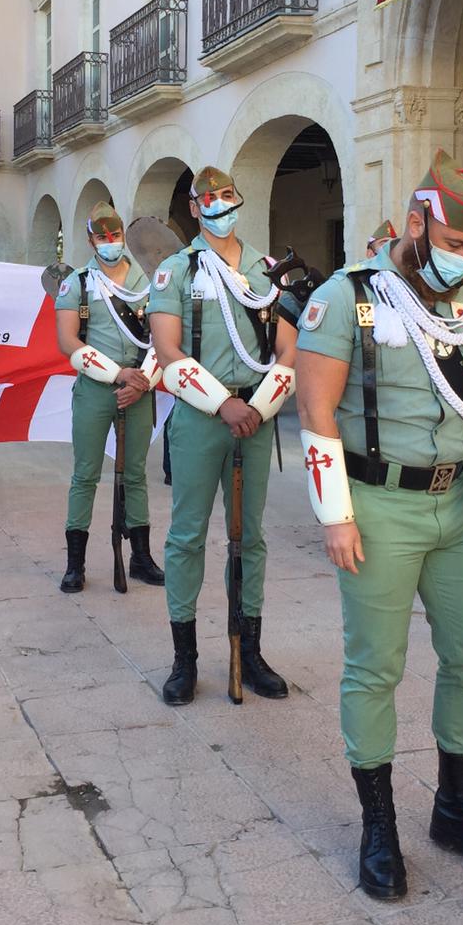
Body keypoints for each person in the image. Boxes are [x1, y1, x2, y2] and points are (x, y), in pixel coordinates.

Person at [295, 149, 463, 899]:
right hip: (380, 505)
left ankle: (455, 809)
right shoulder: (350, 295)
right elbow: (315, 410)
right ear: (422, 220)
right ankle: (378, 827)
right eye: (453, 244)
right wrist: (335, 516)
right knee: (376, 667)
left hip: (460, 505)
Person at [149, 165, 297, 705]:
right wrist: (224, 404)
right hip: (200, 413)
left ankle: (249, 650)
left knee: (249, 537)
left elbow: (289, 348)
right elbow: (168, 351)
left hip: (255, 415)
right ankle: (183, 658)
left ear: (239, 200)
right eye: (206, 198)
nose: (217, 204)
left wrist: (256, 406)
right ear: (193, 208)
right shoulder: (176, 271)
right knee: (187, 536)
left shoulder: (267, 271)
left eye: (226, 195)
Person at [53, 201, 165, 592]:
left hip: (139, 391)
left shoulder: (149, 281)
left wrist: (141, 382)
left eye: (115, 236)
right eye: (102, 237)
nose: (110, 243)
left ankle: (141, 558)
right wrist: (118, 375)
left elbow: (164, 337)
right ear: (91, 240)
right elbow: (67, 341)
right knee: (85, 475)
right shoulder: (77, 283)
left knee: (135, 474)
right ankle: (75, 564)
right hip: (95, 391)